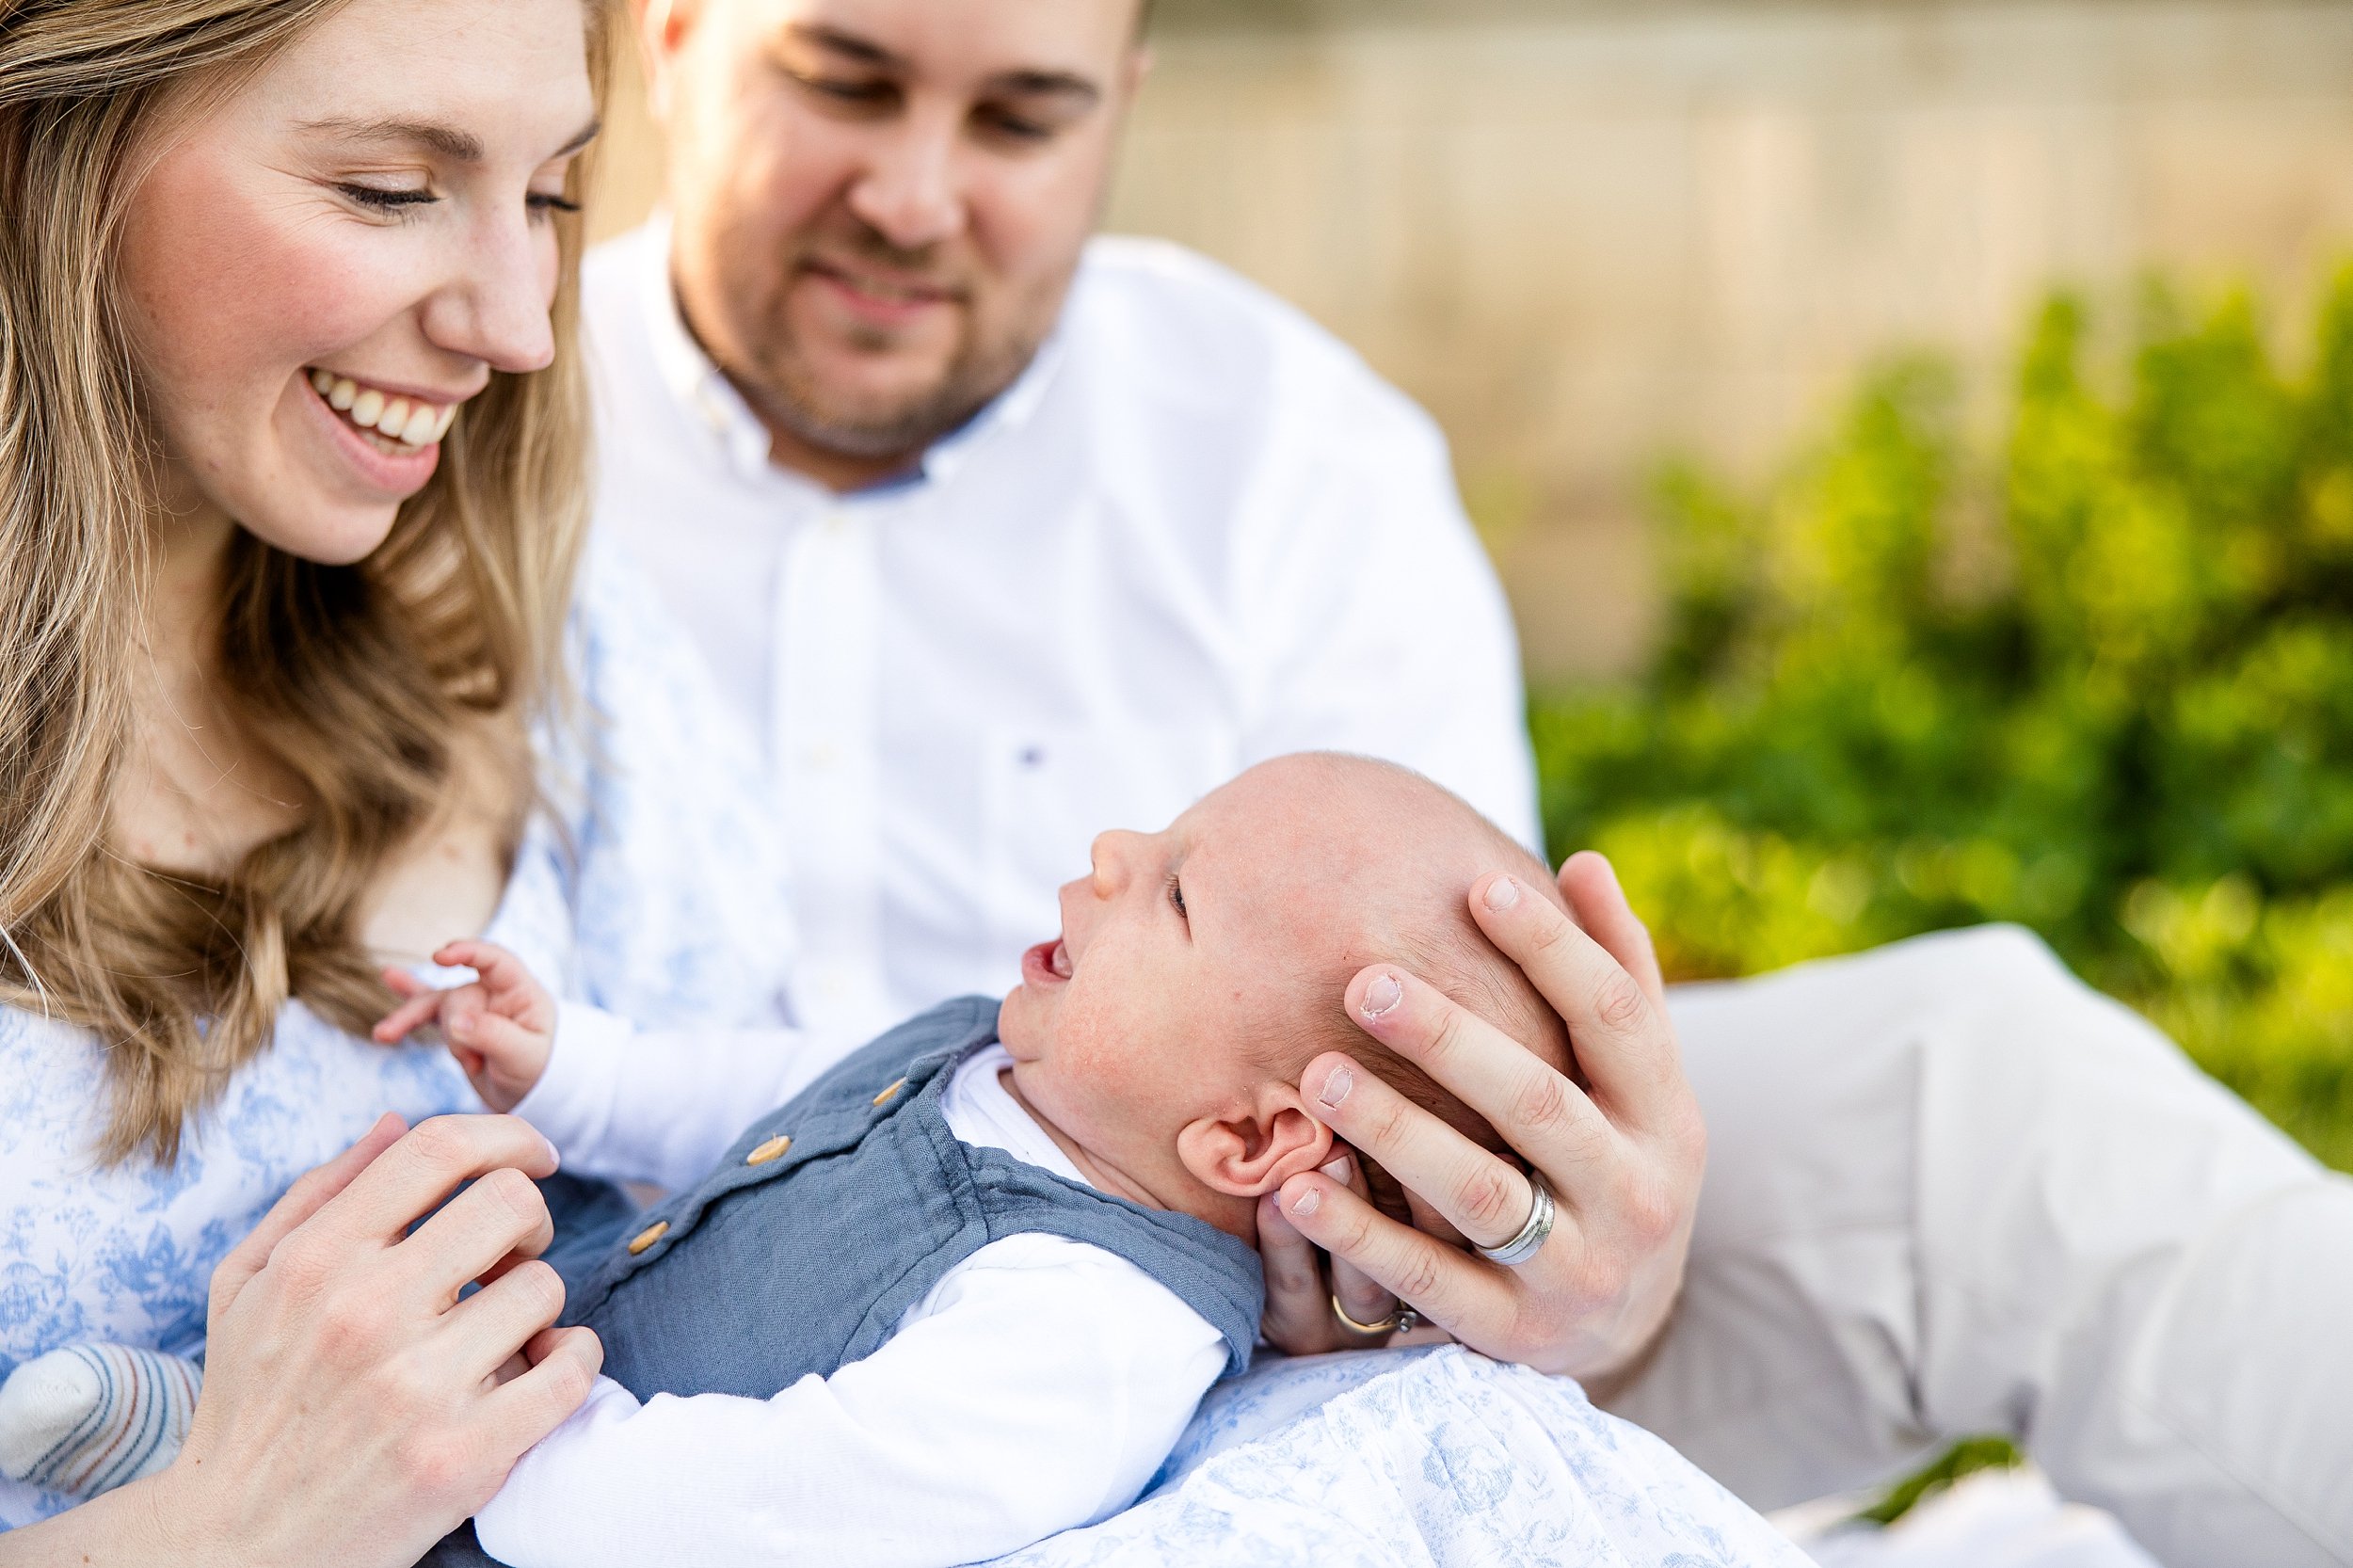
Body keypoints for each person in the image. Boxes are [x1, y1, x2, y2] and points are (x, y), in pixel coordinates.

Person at [588, 1, 2353, 1564]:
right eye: (843, 79)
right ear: (665, 37)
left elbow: (1439, 984)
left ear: (1124, 98)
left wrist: (1569, 1251)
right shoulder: (475, 401)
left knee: (1978, 1092)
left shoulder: (1283, 444)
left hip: (1265, 1309)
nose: (914, 196)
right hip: (657, 1263)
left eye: (1020, 119)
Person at [0, 0, 797, 1560]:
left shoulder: (561, 658)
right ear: (44, 147)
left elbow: (772, 1202)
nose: (522, 326)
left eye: (554, 197)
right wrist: (229, 1525)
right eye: (388, 190)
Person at [416, 755, 1799, 1568]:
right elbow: (781, 1094)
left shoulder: (1093, 1329)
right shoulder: (1001, 1057)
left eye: (1178, 891)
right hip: (487, 1415)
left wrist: (512, 1449)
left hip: (530, 1513)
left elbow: (792, 1505)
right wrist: (578, 1070)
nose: (1112, 852)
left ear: (1251, 1139)